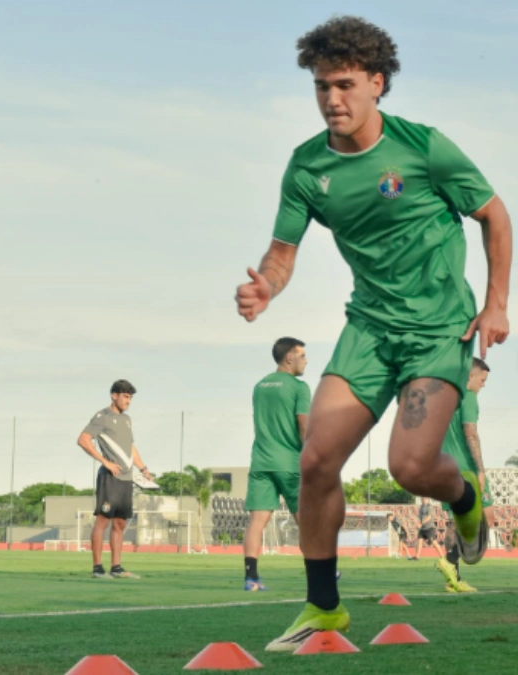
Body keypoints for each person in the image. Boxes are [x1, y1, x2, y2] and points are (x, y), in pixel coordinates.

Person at [232, 16, 511, 652]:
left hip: (438, 329)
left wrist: (496, 305)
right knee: (316, 459)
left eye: (346, 84)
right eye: (322, 86)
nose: (333, 98)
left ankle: (464, 497)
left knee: (410, 467)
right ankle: (323, 608)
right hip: (368, 330)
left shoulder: (424, 148)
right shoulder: (306, 168)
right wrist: (267, 287)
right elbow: (281, 252)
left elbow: (495, 216)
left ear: (377, 84)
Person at [243, 338, 310, 591]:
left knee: (257, 522)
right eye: (302, 356)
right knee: (307, 522)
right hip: (291, 463)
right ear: (289, 358)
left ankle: (251, 577)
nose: (306, 361)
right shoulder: (299, 387)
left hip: (261, 462)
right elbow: (303, 424)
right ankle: (318, 573)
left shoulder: (260, 386)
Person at [77, 379, 156, 579]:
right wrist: (105, 462)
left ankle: (116, 568)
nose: (128, 401)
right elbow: (83, 440)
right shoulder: (102, 416)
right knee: (102, 521)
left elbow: (130, 447)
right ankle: (97, 569)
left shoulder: (127, 420)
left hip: (127, 479)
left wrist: (144, 469)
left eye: (130, 398)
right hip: (109, 478)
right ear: (114, 395)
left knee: (120, 523)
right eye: (125, 396)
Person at [436, 358, 493, 592]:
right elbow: (470, 433)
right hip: (466, 469)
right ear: (471, 376)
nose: (483, 385)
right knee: (486, 517)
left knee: (454, 522)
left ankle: (453, 580)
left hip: (445, 466)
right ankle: (449, 561)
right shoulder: (469, 397)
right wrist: (480, 469)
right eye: (482, 379)